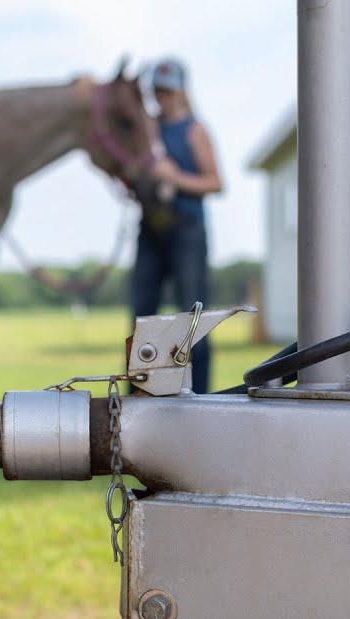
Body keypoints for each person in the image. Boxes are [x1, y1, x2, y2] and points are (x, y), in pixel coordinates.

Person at [131, 58, 223, 394]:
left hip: (186, 231)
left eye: (168, 92)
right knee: (142, 318)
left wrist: (176, 179)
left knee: (192, 318)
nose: (163, 98)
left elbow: (216, 182)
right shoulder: (149, 129)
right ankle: (138, 397)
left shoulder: (194, 129)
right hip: (152, 228)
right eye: (158, 92)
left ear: (182, 91)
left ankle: (199, 396)